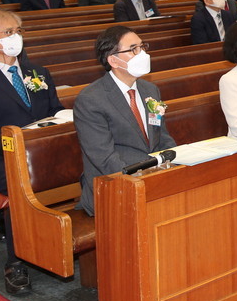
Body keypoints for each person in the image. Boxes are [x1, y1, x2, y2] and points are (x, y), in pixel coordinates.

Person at [0, 10, 63, 294]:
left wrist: (63, 120)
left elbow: (54, 110)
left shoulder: (38, 73)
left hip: (44, 152)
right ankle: (15, 261)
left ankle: (64, 243)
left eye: (17, 30)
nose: (15, 37)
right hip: (2, 158)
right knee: (20, 185)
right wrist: (21, 146)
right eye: (7, 32)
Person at [75, 27, 175, 216]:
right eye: (133, 49)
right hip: (114, 187)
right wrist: (144, 181)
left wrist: (173, 164)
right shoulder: (91, 99)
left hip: (151, 179)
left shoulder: (150, 90)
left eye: (142, 46)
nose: (142, 53)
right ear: (113, 60)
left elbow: (162, 137)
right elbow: (104, 158)